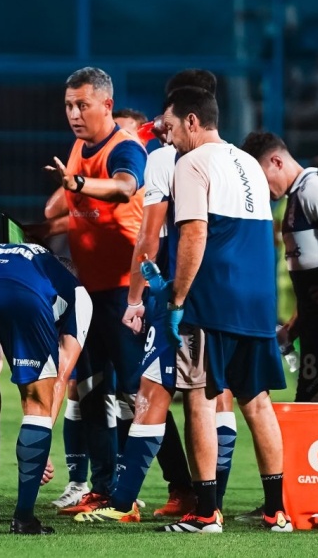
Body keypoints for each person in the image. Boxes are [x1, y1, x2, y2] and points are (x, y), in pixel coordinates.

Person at [86, 87, 290, 533]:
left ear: (193, 122)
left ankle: (205, 512)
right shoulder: (251, 165)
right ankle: (278, 510)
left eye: (172, 126)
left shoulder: (192, 163)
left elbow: (195, 236)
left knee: (198, 398)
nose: (168, 136)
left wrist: (175, 298)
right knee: (257, 403)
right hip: (257, 305)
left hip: (211, 301)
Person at [39, 67, 147, 516]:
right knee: (93, 391)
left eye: (82, 105)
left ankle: (161, 489)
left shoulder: (126, 147)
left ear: (106, 104)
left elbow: (125, 188)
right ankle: (102, 489)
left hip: (124, 292)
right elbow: (54, 209)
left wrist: (79, 185)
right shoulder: (81, 147)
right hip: (90, 292)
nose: (74, 114)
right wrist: (70, 193)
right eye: (68, 105)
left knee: (135, 395)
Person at [116, 70, 217, 520]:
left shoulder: (169, 156)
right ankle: (209, 497)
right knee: (219, 396)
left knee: (153, 388)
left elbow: (150, 235)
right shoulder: (233, 159)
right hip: (222, 293)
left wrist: (137, 299)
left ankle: (129, 501)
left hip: (177, 289)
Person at [0, 242, 92, 534]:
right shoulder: (78, 294)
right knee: (36, 403)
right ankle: (24, 518)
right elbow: (60, 379)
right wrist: (40, 447)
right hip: (22, 293)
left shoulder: (16, 258)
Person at [241, 132, 318, 404]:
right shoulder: (294, 197)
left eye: (260, 177)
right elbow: (313, 272)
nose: (260, 187)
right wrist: (296, 324)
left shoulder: (313, 190)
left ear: (276, 161)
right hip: (315, 323)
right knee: (309, 406)